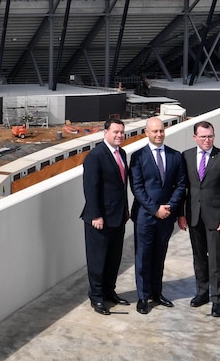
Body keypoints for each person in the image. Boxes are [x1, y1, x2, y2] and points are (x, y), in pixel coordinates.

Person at [179, 120, 220, 318]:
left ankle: (218, 300)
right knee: (199, 258)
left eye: (210, 136)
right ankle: (202, 293)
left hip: (215, 218)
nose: (207, 140)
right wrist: (181, 214)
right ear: (195, 137)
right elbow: (182, 189)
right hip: (193, 216)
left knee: (216, 260)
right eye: (203, 136)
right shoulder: (186, 157)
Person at [129, 117, 188, 314]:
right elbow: (137, 188)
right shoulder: (137, 157)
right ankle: (143, 297)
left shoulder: (175, 156)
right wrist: (155, 209)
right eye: (154, 131)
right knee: (143, 257)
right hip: (145, 216)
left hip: (167, 216)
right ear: (146, 132)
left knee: (159, 256)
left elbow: (181, 185)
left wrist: (170, 207)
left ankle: (157, 292)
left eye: (161, 131)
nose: (158, 134)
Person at [81, 118, 130, 315]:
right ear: (105, 133)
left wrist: (125, 208)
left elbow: (121, 186)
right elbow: (90, 188)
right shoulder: (95, 156)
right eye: (115, 132)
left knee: (113, 258)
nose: (119, 135)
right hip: (99, 218)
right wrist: (96, 215)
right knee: (97, 259)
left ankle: (110, 291)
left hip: (118, 216)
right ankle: (97, 297)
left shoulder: (122, 154)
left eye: (121, 132)